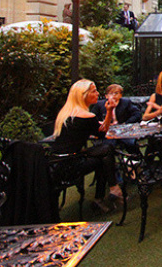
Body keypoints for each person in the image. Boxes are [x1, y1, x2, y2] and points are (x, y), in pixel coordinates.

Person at [51, 79, 123, 212]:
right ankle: (111, 189)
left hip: (55, 162)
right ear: (83, 95)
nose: (97, 93)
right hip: (70, 165)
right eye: (94, 91)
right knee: (106, 153)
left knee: (104, 152)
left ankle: (108, 192)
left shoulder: (66, 113)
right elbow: (102, 133)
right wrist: (109, 111)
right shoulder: (86, 116)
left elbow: (97, 127)